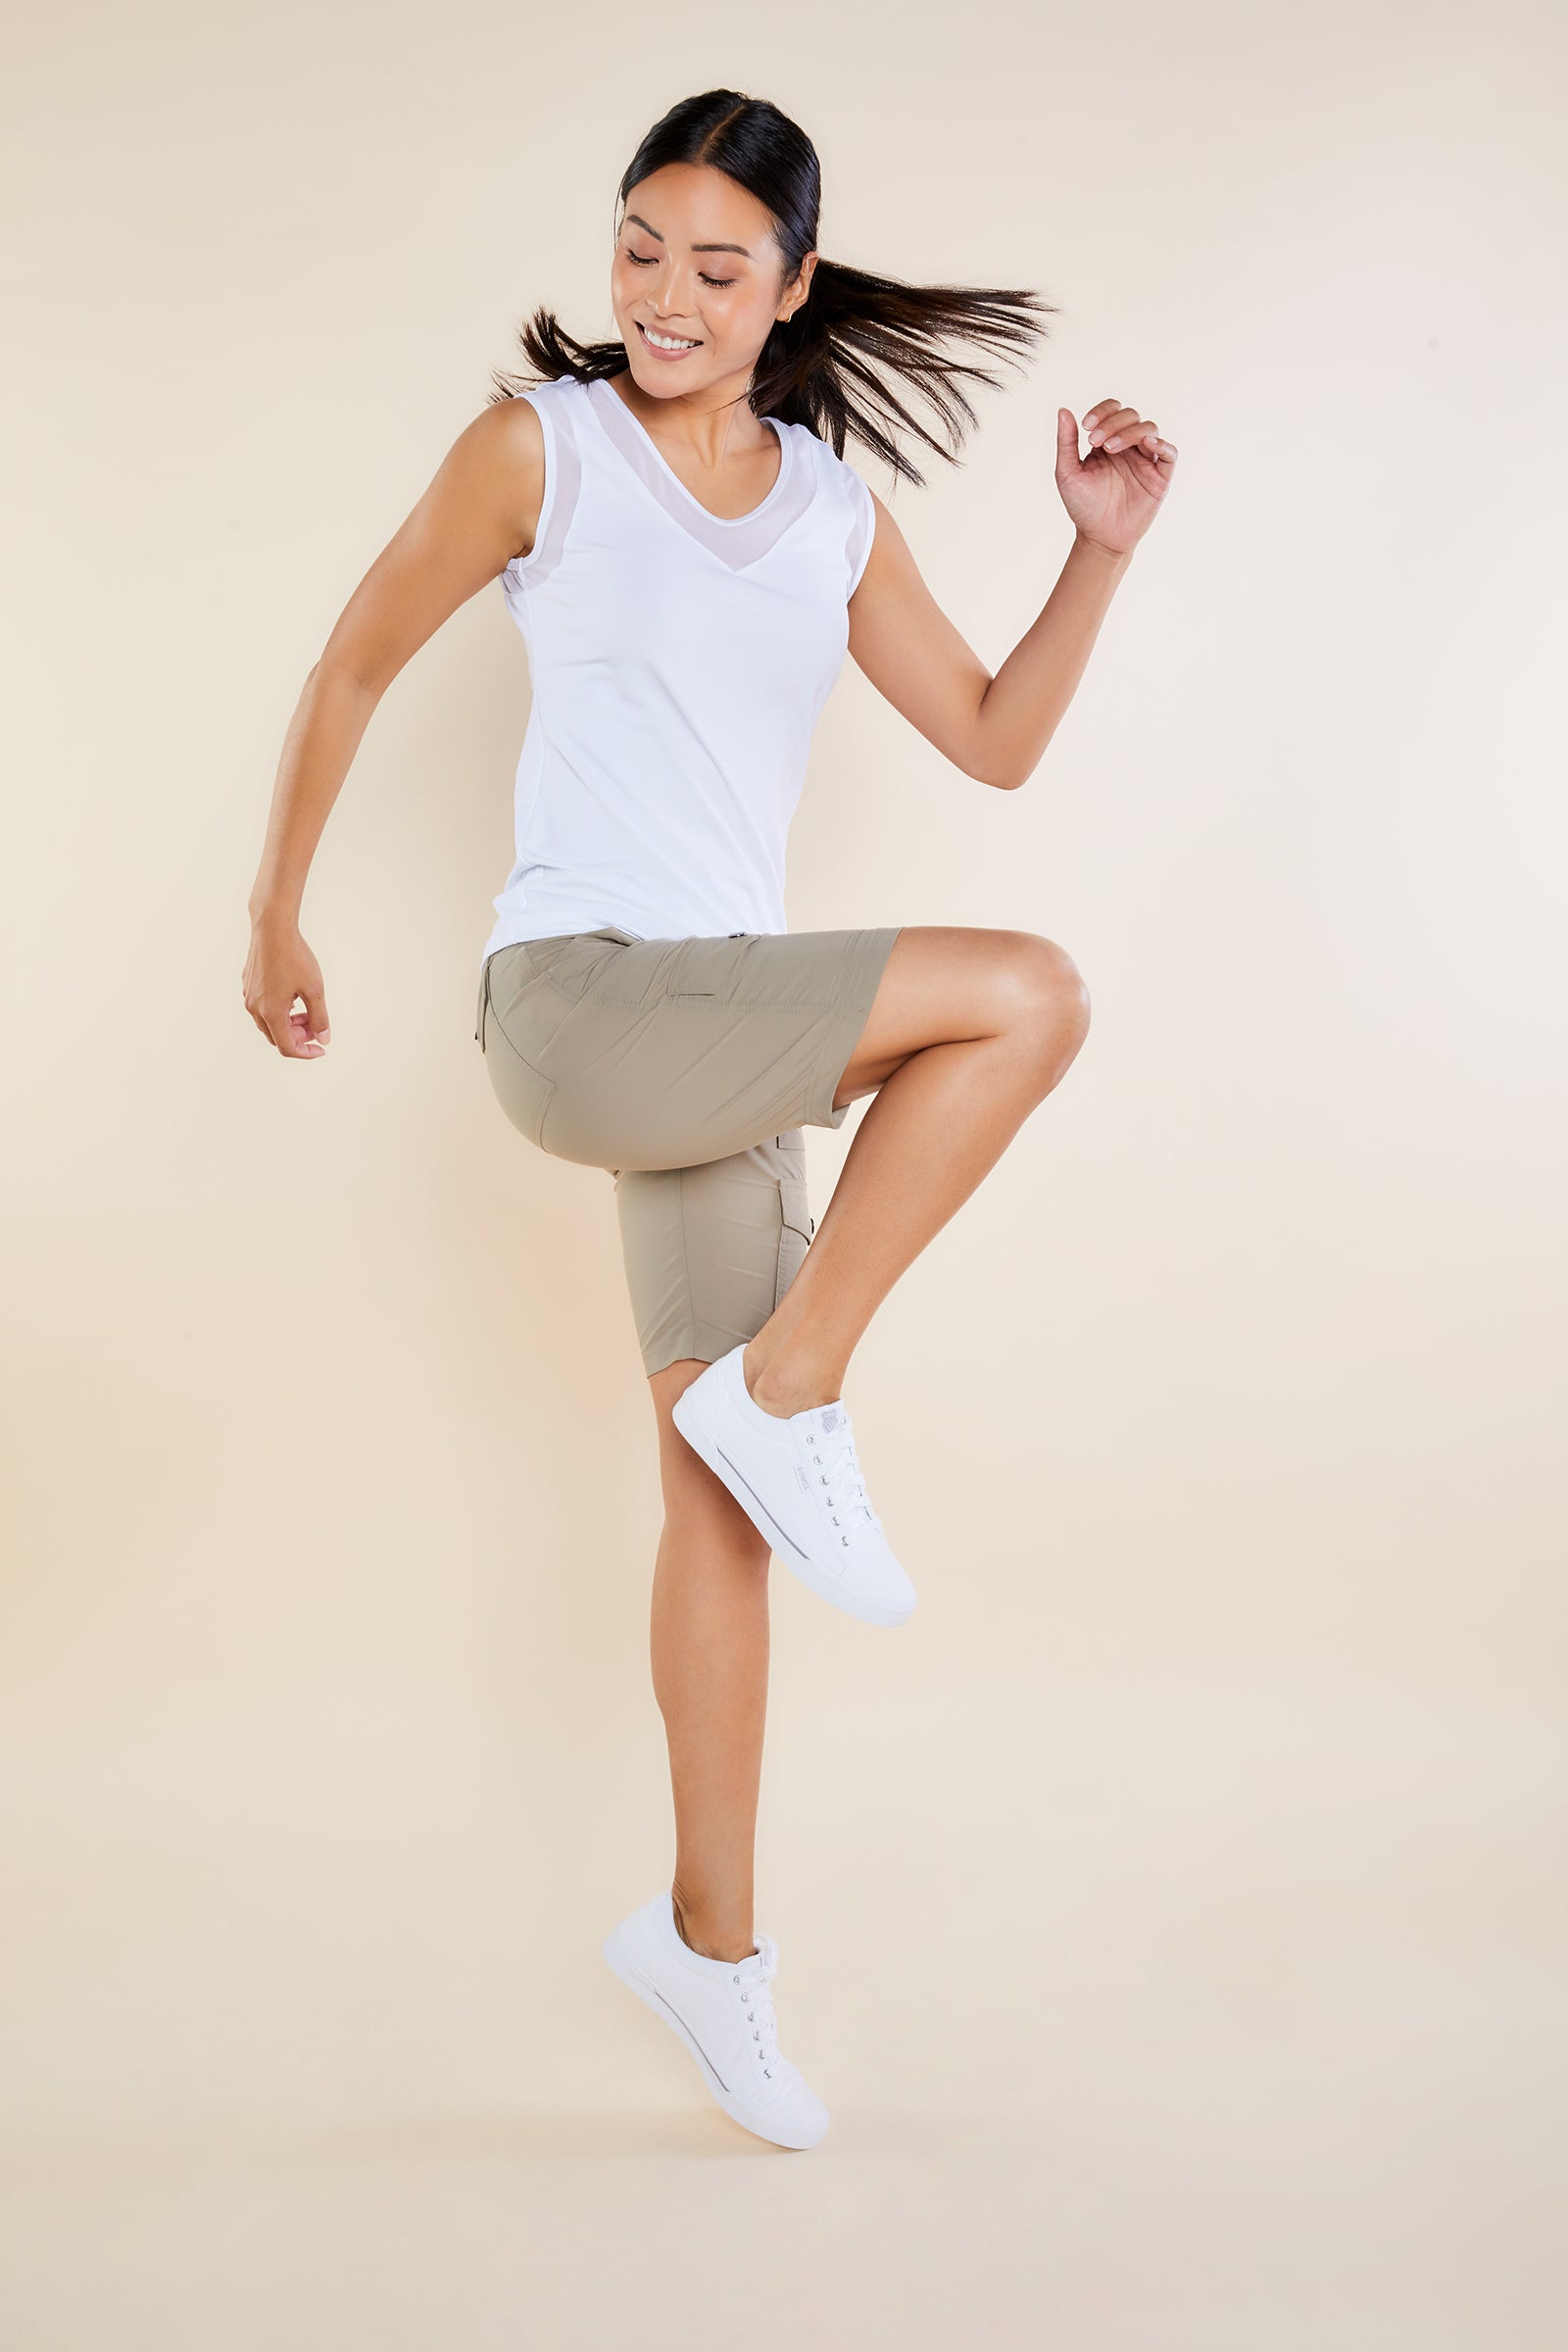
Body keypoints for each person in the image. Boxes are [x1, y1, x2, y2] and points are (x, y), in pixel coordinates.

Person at [243, 86, 1177, 2152]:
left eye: (715, 265)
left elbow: (994, 740)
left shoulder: (832, 511)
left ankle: (711, 1954)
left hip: (720, 1037)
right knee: (1025, 992)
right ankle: (800, 1382)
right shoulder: (542, 449)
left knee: (719, 1514)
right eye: (638, 248)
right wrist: (275, 907)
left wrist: (1095, 556)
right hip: (581, 1003)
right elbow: (352, 665)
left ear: (791, 287)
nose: (663, 295)